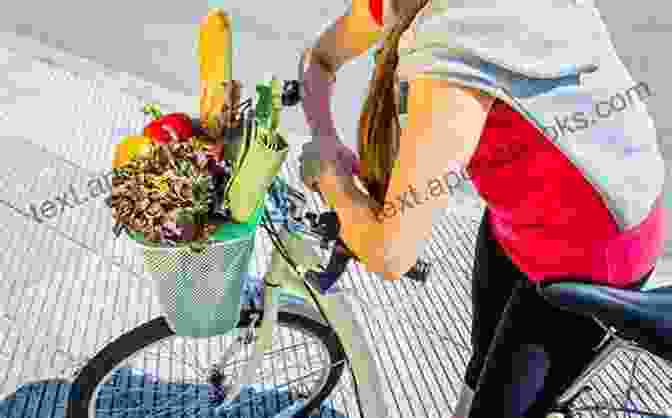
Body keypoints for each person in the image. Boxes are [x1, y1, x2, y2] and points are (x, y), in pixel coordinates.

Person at [297, 0, 666, 417]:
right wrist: (326, 140)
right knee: (483, 362)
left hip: (593, 248)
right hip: (524, 209)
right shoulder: (409, 7)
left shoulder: (456, 42)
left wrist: (330, 176)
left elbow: (391, 252)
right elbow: (320, 57)